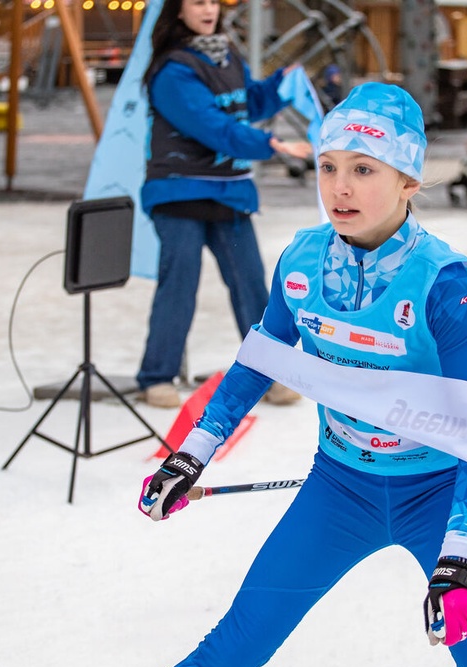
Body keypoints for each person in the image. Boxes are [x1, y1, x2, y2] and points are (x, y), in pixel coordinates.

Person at [93, 83, 467, 667]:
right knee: (241, 638)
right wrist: (189, 455)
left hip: (440, 494)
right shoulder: (301, 262)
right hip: (340, 490)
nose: (340, 186)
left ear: (408, 180)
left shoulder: (441, 278)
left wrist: (457, 556)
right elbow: (256, 365)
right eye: (329, 166)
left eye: (364, 169)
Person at [136, 0, 313, 408]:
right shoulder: (173, 71)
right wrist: (271, 144)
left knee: (252, 286)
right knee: (179, 287)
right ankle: (156, 376)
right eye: (198, 1)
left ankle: (271, 375)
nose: (208, 9)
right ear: (177, 10)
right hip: (180, 190)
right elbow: (212, 126)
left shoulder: (227, 53)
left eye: (213, 1)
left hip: (230, 191)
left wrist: (277, 86)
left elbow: (246, 102)